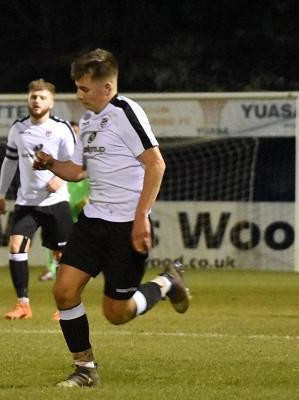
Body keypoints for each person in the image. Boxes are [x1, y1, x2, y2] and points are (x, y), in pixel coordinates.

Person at [32, 48, 190, 387]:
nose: (79, 95)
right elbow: (77, 171)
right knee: (64, 291)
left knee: (116, 314)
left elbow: (156, 164)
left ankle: (166, 283)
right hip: (92, 222)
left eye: (85, 89)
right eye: (77, 88)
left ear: (107, 88)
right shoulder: (88, 121)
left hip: (125, 227)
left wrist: (141, 218)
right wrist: (50, 164)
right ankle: (85, 369)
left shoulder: (125, 112)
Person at [0, 79, 76, 320]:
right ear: (27, 100)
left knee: (63, 256)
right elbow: (9, 163)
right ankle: (23, 305)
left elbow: (75, 164)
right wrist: (1, 195)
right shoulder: (17, 129)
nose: (37, 101)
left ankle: (66, 306)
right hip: (26, 203)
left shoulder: (62, 128)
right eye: (33, 97)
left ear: (51, 102)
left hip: (56, 202)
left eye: (42, 97)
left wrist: (60, 180)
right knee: (16, 248)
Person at [40, 121, 90, 283]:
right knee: (56, 240)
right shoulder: (61, 151)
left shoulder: (86, 153)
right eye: (72, 131)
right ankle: (51, 269)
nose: (74, 134)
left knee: (82, 240)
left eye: (77, 131)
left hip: (82, 202)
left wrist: (90, 198)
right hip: (64, 201)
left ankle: (84, 270)